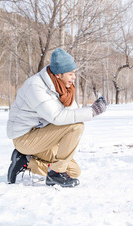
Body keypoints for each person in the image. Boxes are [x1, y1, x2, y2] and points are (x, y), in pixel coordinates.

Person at [7, 48, 107, 187]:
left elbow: (71, 113)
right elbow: (58, 117)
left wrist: (92, 109)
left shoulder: (63, 89)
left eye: (74, 74)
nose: (74, 77)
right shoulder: (36, 86)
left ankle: (26, 161)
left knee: (73, 171)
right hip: (25, 138)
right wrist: (92, 112)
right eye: (70, 74)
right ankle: (56, 175)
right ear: (59, 74)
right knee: (76, 126)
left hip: (43, 137)